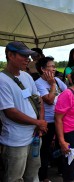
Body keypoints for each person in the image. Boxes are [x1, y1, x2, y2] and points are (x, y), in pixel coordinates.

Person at [0, 41, 48, 182]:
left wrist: (41, 123)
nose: (28, 59)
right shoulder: (2, 80)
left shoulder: (26, 76)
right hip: (15, 140)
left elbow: (39, 101)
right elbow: (10, 112)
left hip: (33, 136)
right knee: (14, 178)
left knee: (33, 175)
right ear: (10, 55)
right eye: (23, 55)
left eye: (29, 56)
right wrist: (38, 122)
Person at [35, 56, 67, 182]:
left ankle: (61, 169)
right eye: (51, 66)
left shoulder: (58, 81)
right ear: (43, 69)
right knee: (45, 149)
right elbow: (48, 100)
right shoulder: (38, 83)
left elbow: (68, 92)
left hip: (60, 119)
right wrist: (52, 85)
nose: (54, 69)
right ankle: (43, 176)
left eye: (54, 66)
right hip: (47, 121)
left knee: (61, 145)